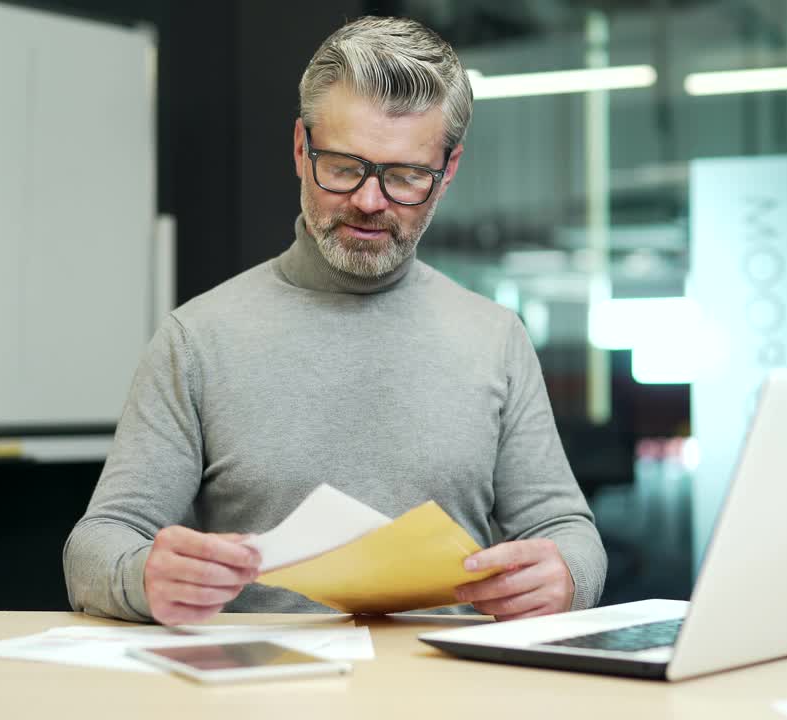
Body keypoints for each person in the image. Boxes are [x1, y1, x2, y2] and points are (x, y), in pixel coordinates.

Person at [64, 15, 607, 625]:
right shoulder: (197, 340)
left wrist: (567, 574)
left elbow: (567, 530)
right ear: (301, 148)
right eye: (344, 167)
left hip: (449, 687)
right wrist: (143, 576)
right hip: (259, 687)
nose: (369, 202)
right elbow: (97, 542)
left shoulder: (496, 339)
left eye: (405, 177)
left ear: (448, 171)